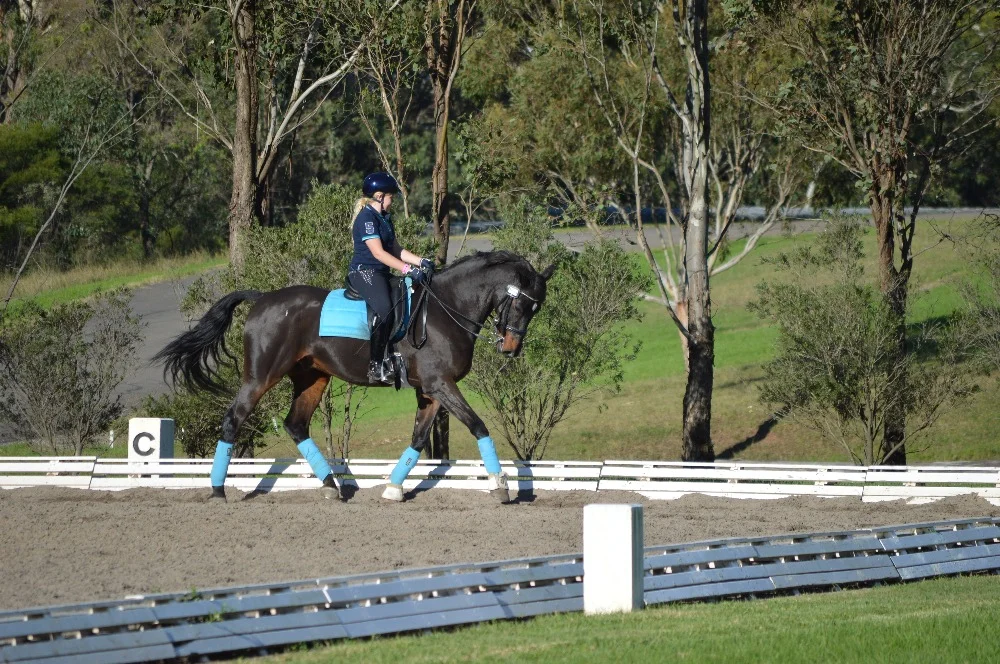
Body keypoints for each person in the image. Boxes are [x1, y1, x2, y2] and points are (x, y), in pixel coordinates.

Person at [349, 172, 434, 383]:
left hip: (381, 272)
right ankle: (376, 365)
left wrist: (421, 261)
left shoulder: (384, 218)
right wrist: (407, 269)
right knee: (385, 310)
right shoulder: (367, 218)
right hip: (364, 272)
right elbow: (378, 253)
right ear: (379, 197)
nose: (392, 201)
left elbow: (395, 248)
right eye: (390, 197)